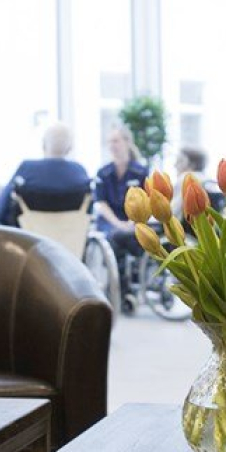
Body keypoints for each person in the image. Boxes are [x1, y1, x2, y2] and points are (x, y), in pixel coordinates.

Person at [0, 123, 91, 227]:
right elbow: (88, 214)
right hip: (70, 235)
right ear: (70, 148)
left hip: (28, 235)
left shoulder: (26, 169)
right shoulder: (79, 172)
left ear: (43, 145)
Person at [94, 126, 149, 313]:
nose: (112, 145)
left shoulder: (140, 172)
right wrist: (118, 224)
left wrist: (133, 222)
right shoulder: (103, 173)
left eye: (116, 141)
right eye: (110, 141)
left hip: (135, 220)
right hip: (110, 222)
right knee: (113, 237)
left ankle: (133, 282)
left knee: (137, 237)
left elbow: (146, 199)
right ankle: (122, 289)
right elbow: (101, 203)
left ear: (127, 142)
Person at [170, 147, 208, 221]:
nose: (175, 165)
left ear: (192, 164)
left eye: (180, 161)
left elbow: (173, 211)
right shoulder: (206, 179)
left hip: (186, 224)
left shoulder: (185, 178)